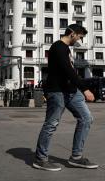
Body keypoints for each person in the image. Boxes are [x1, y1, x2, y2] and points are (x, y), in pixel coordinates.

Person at [33, 24, 98, 171]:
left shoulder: (66, 49)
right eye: (79, 37)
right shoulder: (58, 47)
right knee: (51, 124)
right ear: (73, 33)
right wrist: (85, 89)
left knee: (86, 118)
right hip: (57, 91)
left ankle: (76, 157)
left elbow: (70, 71)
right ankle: (40, 159)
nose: (79, 41)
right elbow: (68, 70)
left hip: (71, 92)